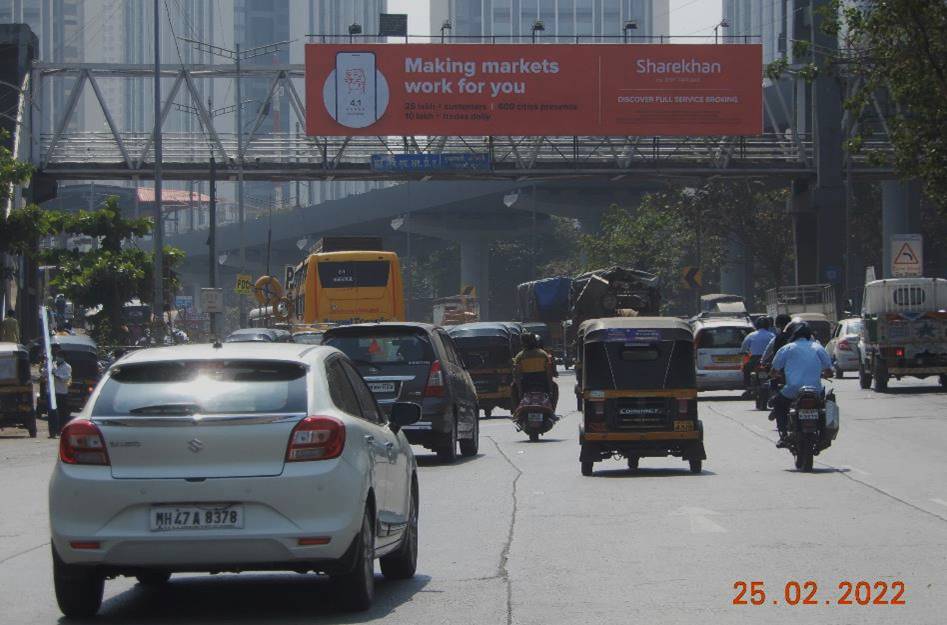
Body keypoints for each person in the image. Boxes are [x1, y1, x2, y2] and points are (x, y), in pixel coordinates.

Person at [769, 321, 832, 447]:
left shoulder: (787, 348)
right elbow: (829, 371)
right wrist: (823, 373)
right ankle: (824, 434)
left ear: (792, 334)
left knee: (778, 403)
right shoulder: (818, 347)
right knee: (825, 405)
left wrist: (775, 375)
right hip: (816, 390)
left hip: (792, 390)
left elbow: (774, 370)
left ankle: (783, 434)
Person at [512, 332, 557, 409]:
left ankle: (516, 410)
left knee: (513, 387)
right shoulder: (543, 354)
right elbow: (549, 373)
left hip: (526, 384)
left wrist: (519, 391)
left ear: (523, 343)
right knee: (555, 387)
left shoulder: (519, 356)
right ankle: (552, 409)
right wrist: (551, 389)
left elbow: (517, 375)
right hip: (543, 383)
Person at [740, 317, 775, 397]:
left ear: (756, 325)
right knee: (773, 372)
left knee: (745, 368)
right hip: (768, 360)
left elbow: (743, 348)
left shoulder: (751, 335)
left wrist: (744, 352)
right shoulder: (772, 335)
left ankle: (748, 387)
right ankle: (773, 387)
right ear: (768, 325)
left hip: (754, 360)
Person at [49, 345, 73, 439]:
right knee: (52, 413)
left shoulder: (67, 367)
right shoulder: (53, 364)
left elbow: (65, 378)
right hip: (52, 392)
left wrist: (56, 375)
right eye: (57, 355)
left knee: (62, 413)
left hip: (62, 393)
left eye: (60, 356)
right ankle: (52, 431)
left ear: (64, 357)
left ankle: (61, 430)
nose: (58, 357)